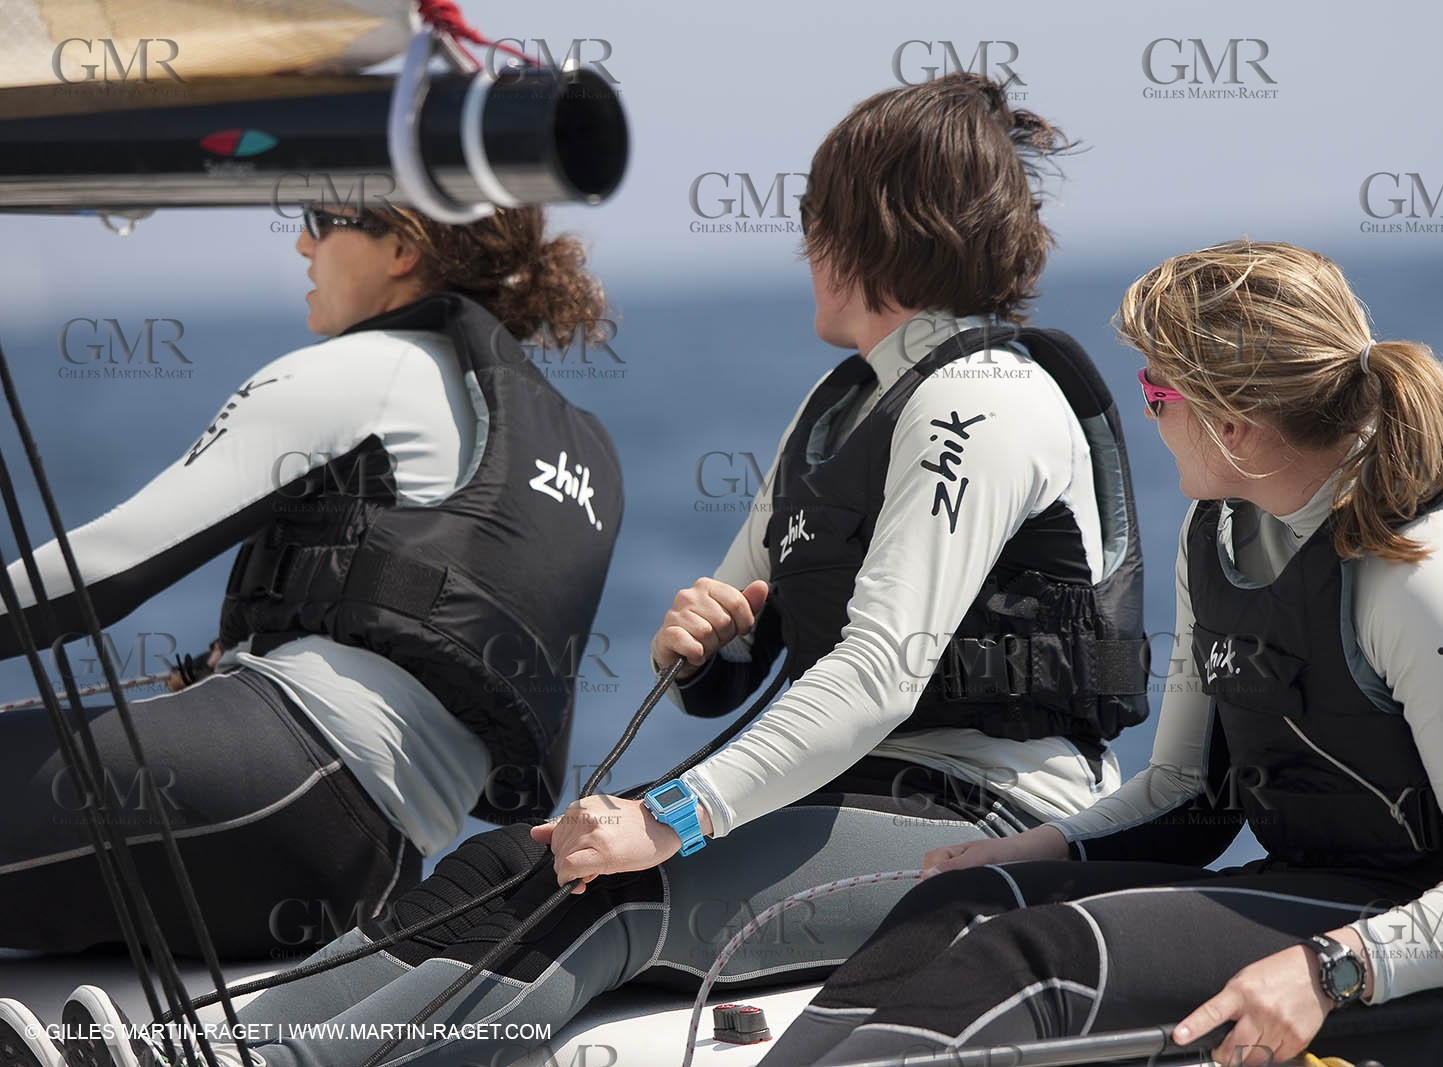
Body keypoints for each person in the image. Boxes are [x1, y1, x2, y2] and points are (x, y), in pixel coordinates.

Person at [38, 72, 1154, 1067]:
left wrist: (670, 812)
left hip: (992, 816)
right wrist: (707, 644)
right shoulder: (839, 408)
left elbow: (876, 675)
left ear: (867, 230)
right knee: (503, 863)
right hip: (859, 793)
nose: (800, 240)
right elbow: (739, 650)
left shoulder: (985, 402)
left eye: (813, 215)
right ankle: (201, 1044)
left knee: (614, 888)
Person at [752, 239, 1443, 1067]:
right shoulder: (1218, 530)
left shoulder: (1429, 578)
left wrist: (1330, 970)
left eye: (1156, 391)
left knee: (1047, 958)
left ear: (1237, 427)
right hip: (1315, 897)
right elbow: (1185, 795)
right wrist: (1044, 845)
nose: (1147, 411)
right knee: (961, 906)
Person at [0, 201, 621, 967]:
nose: (301, 241)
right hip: (374, 867)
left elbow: (97, 574)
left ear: (401, 245)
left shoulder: (372, 369)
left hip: (278, 781)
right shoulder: (552, 438)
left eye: (321, 218)